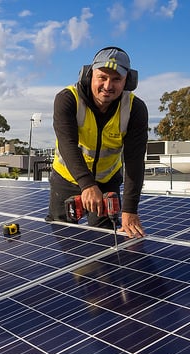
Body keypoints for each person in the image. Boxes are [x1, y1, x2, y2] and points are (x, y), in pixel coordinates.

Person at [46, 46, 148, 238]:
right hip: (67, 179)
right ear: (89, 75)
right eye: (102, 77)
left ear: (128, 81)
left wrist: (130, 210)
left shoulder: (135, 108)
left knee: (106, 238)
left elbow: (134, 162)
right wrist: (87, 184)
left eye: (116, 79)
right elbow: (67, 144)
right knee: (62, 236)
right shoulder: (68, 99)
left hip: (107, 182)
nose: (108, 86)